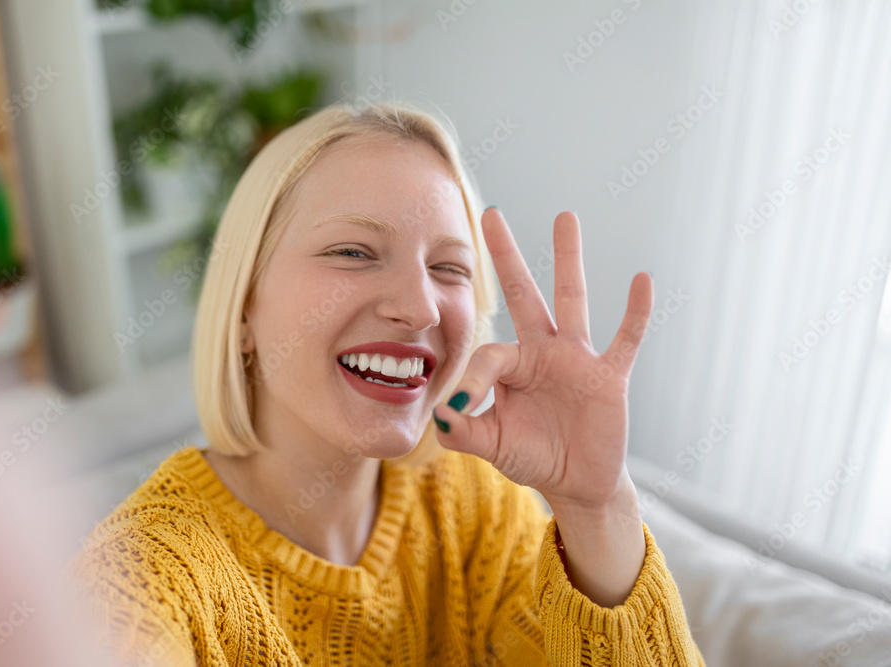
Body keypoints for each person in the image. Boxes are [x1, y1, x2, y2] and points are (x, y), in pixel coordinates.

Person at [70, 101, 705, 666]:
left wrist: (597, 510)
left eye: (449, 267)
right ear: (243, 311)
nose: (421, 307)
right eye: (353, 252)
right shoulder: (143, 575)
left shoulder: (467, 503)